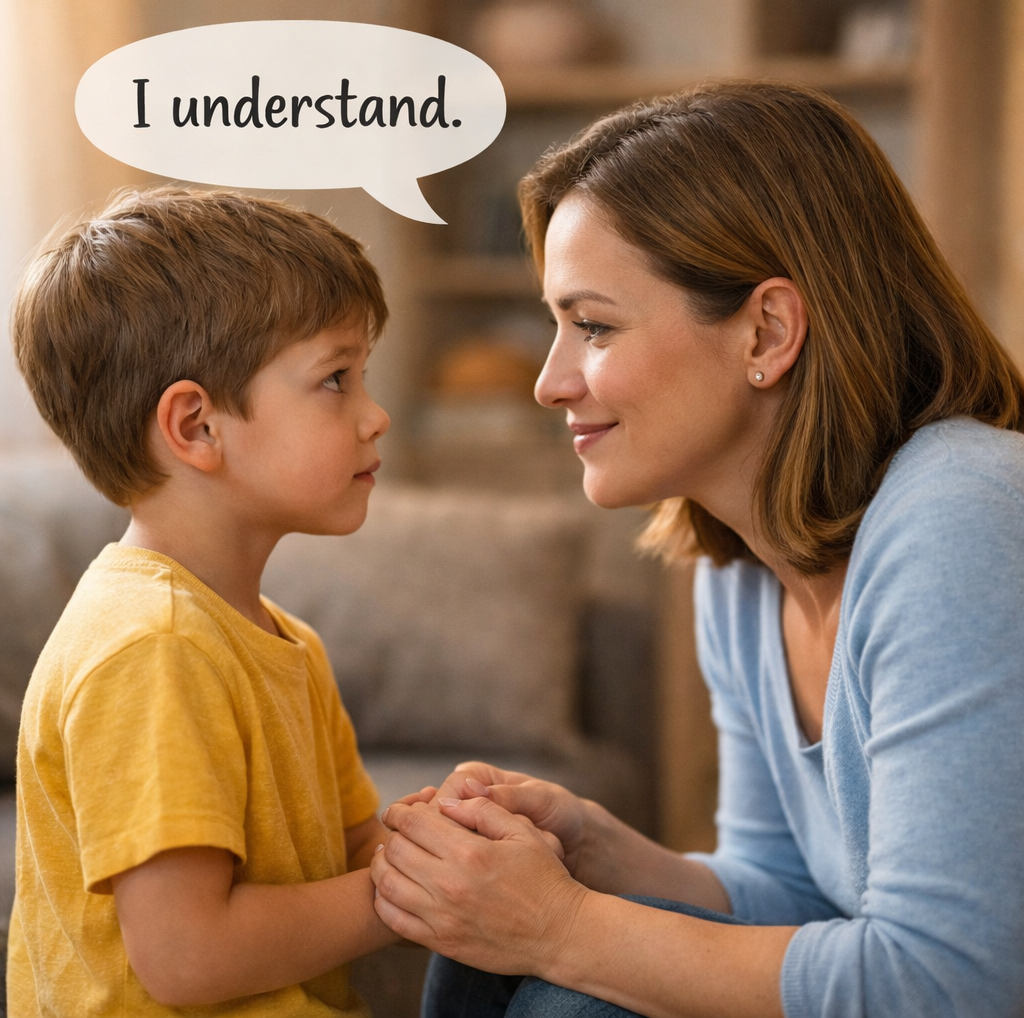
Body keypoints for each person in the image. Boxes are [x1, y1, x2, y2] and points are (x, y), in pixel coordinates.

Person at [369, 81, 1024, 1017]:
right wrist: (592, 849)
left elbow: (953, 985)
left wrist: (560, 925)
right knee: (493, 951)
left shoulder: (967, 517)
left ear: (768, 330)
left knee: (567, 983)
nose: (551, 382)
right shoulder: (740, 561)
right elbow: (790, 894)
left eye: (592, 326)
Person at [8, 188, 398, 1015]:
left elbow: (354, 847)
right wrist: (407, 898)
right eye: (336, 379)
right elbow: (189, 956)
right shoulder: (154, 645)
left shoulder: (282, 641)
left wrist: (449, 843)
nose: (376, 416)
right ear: (196, 427)